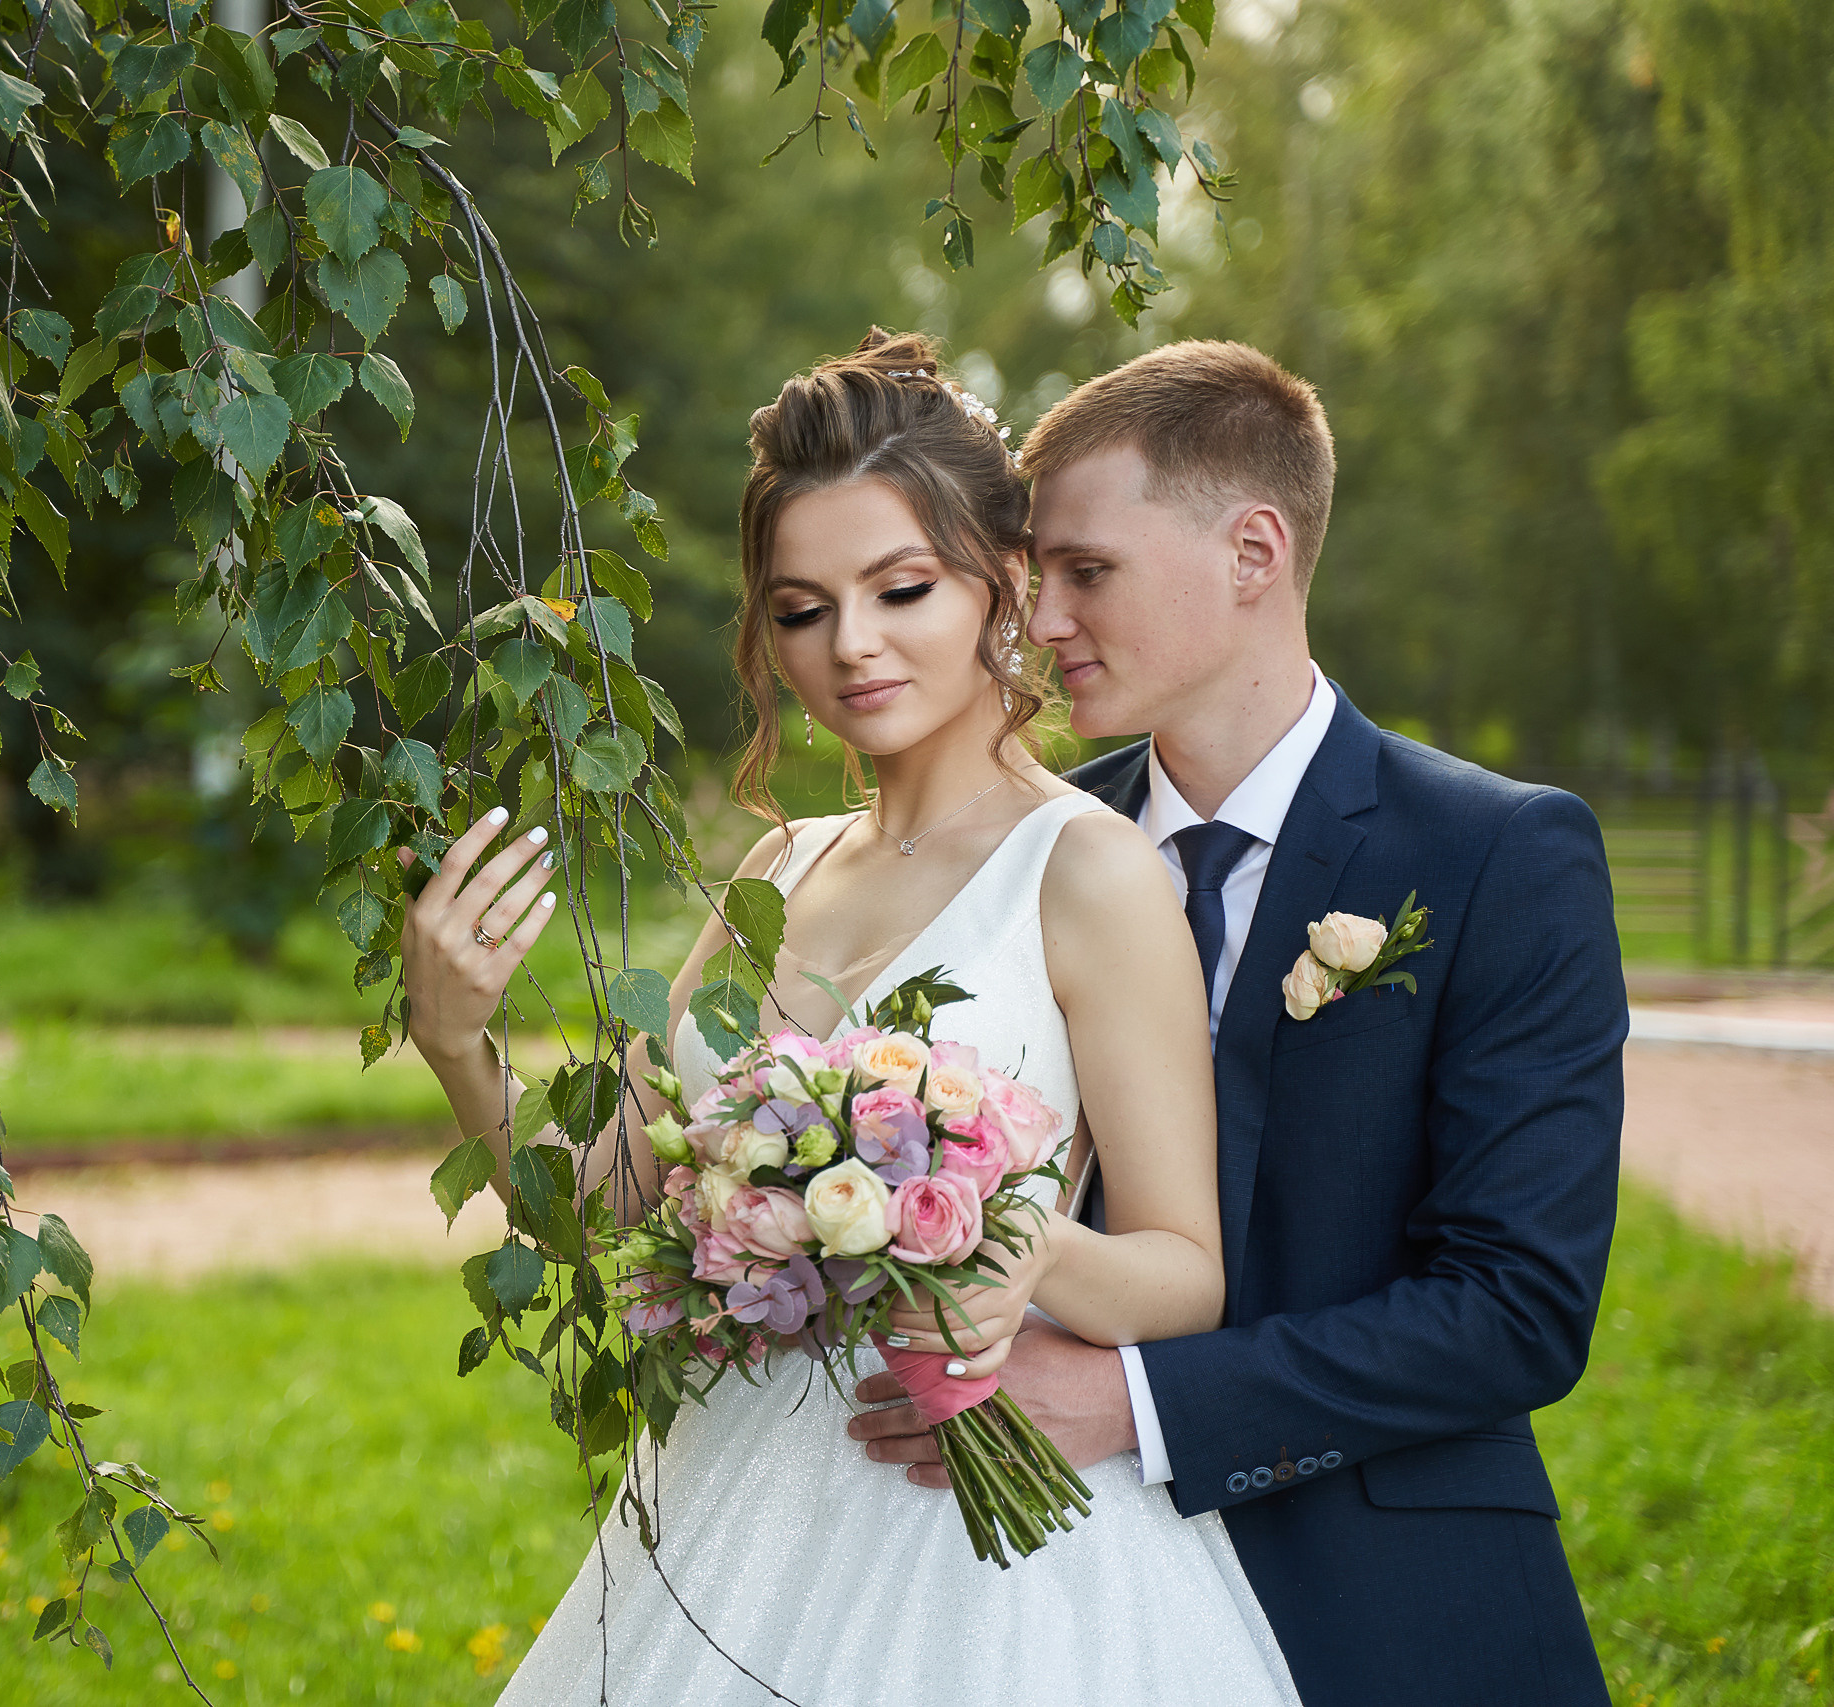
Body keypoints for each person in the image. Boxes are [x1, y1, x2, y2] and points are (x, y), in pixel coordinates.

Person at [396, 330, 1300, 1703]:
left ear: (1001, 581)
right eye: (805, 608)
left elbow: (1187, 1271)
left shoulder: (1091, 872)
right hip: (735, 1499)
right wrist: (458, 1043)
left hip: (963, 1531)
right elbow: (601, 1207)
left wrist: (1019, 1251)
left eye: (902, 589)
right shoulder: (777, 871)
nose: (853, 646)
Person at [848, 340, 1625, 1707]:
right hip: (1044, 1600)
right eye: (1034, 578)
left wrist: (1134, 1408)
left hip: (1387, 1596)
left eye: (1087, 572)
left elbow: (1517, 1310)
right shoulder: (1021, 853)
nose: (1039, 624)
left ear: (1254, 553)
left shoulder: (1500, 855)